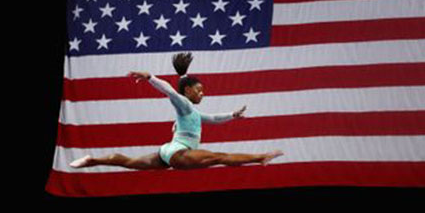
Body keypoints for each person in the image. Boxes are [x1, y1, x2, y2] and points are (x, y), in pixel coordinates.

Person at [69, 52, 284, 170]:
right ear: (188, 90)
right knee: (220, 157)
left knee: (130, 163)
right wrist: (150, 77)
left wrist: (232, 115)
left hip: (168, 151)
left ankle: (92, 160)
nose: (202, 94)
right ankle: (261, 157)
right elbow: (170, 91)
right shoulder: (184, 103)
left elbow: (213, 118)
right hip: (178, 152)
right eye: (199, 91)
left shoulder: (193, 113)